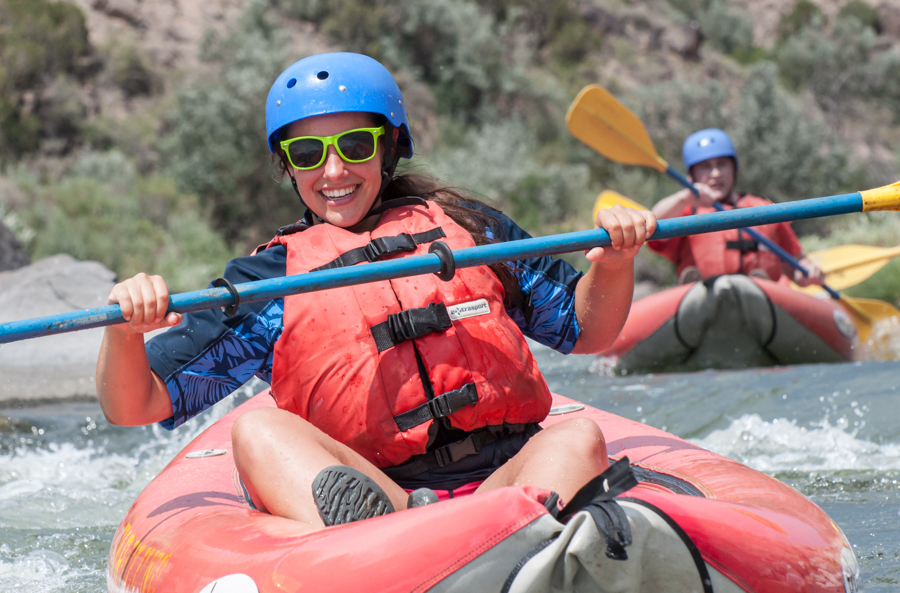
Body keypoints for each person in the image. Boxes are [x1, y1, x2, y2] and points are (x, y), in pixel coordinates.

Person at [95, 53, 656, 531]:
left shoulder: (469, 228)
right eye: (308, 154)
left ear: (388, 148)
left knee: (578, 438)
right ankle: (399, 537)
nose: (334, 170)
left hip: (508, 476)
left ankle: (494, 538)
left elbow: (587, 331)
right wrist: (123, 331)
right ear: (288, 166)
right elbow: (134, 404)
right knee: (257, 431)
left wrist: (616, 265)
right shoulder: (271, 280)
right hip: (384, 495)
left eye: (355, 145)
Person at [649, 128, 824, 286]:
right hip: (705, 309)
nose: (715, 174)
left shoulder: (764, 209)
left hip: (763, 306)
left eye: (722, 164)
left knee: (758, 292)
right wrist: (683, 198)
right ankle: (697, 288)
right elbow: (652, 227)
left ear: (734, 168)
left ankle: (757, 288)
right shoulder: (685, 212)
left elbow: (797, 267)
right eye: (705, 167)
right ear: (691, 176)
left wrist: (808, 272)